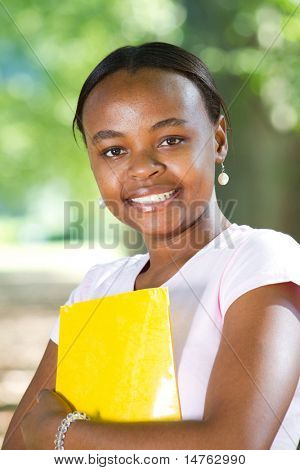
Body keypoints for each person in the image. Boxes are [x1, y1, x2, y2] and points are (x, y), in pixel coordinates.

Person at [2, 42, 300, 451]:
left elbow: (233, 448)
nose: (142, 167)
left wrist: (63, 434)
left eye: (170, 140)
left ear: (218, 140)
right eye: (114, 151)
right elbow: (17, 451)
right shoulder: (96, 288)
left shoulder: (260, 261)